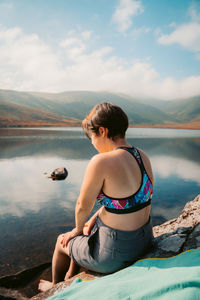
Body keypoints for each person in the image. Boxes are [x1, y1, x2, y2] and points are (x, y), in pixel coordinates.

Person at [39, 102, 154, 292]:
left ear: (102, 131)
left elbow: (82, 205)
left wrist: (76, 229)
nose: (92, 143)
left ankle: (55, 289)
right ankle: (70, 275)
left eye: (91, 136)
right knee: (89, 225)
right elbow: (132, 201)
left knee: (62, 241)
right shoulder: (142, 156)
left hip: (116, 255)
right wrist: (95, 217)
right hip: (145, 241)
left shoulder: (101, 161)